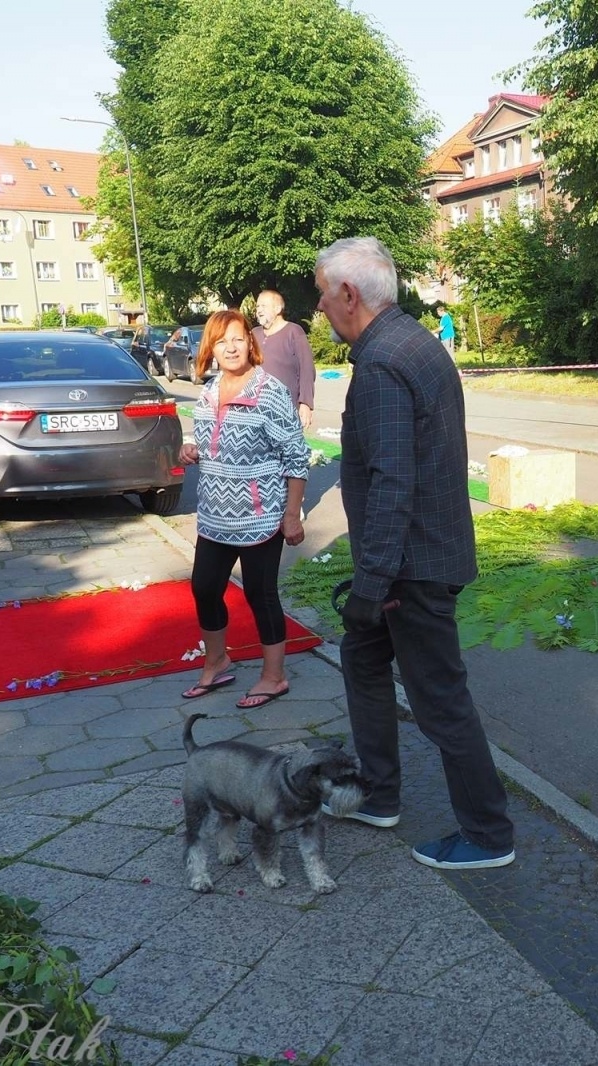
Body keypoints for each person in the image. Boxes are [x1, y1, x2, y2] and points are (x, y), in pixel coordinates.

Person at [314, 236, 515, 871]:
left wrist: (373, 584)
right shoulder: (412, 341)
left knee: (440, 700)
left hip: (411, 567)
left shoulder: (380, 364)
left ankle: (488, 835)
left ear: (349, 294)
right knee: (362, 660)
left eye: (321, 294)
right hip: (418, 554)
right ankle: (377, 794)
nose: (318, 308)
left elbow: (393, 480)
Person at [178, 309, 312, 709]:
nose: (231, 347)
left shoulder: (268, 392)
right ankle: (217, 661)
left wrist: (291, 515)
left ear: (249, 343)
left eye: (238, 338)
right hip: (216, 515)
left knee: (260, 594)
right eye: (222, 342)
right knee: (204, 587)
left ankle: (274, 677)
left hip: (260, 514)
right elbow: (215, 441)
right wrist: (195, 451)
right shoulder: (209, 389)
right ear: (211, 349)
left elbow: (296, 457)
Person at [253, 290, 317, 429]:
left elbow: (307, 368)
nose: (259, 310)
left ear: (278, 309)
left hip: (286, 409)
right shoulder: (254, 334)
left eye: (264, 306)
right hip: (256, 409)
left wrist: (305, 403)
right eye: (258, 307)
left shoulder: (294, 331)